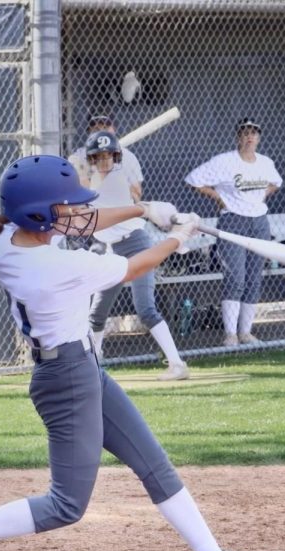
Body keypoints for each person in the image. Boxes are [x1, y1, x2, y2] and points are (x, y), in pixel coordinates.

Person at [0, 154, 266, 551]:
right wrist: (179, 236)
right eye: (63, 206)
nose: (75, 211)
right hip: (66, 379)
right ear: (41, 215)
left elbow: (78, 220)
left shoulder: (13, 235)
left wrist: (144, 210)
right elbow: (137, 265)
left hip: (81, 367)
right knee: (66, 504)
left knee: (154, 465)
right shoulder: (54, 268)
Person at [83, 130, 189, 381]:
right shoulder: (95, 181)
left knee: (145, 309)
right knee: (97, 313)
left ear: (116, 157)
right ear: (93, 159)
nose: (105, 161)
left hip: (135, 245)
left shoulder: (115, 181)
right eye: (99, 157)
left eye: (109, 156)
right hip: (110, 251)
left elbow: (93, 204)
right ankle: (94, 368)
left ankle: (177, 364)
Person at [186, 118, 282, 346]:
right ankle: (230, 333)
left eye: (254, 133)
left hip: (259, 222)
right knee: (236, 278)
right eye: (245, 132)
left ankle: (246, 332)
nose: (250, 137)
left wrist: (262, 197)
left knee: (253, 278)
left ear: (259, 137)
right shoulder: (224, 161)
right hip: (233, 222)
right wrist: (219, 198)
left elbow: (276, 182)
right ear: (238, 137)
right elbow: (193, 180)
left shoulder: (265, 162)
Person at [67, 113, 141, 197]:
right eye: (96, 129)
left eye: (105, 127)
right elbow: (77, 188)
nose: (101, 132)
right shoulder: (79, 155)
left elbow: (137, 194)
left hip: (119, 203)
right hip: (92, 203)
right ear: (89, 132)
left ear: (114, 129)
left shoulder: (128, 156)